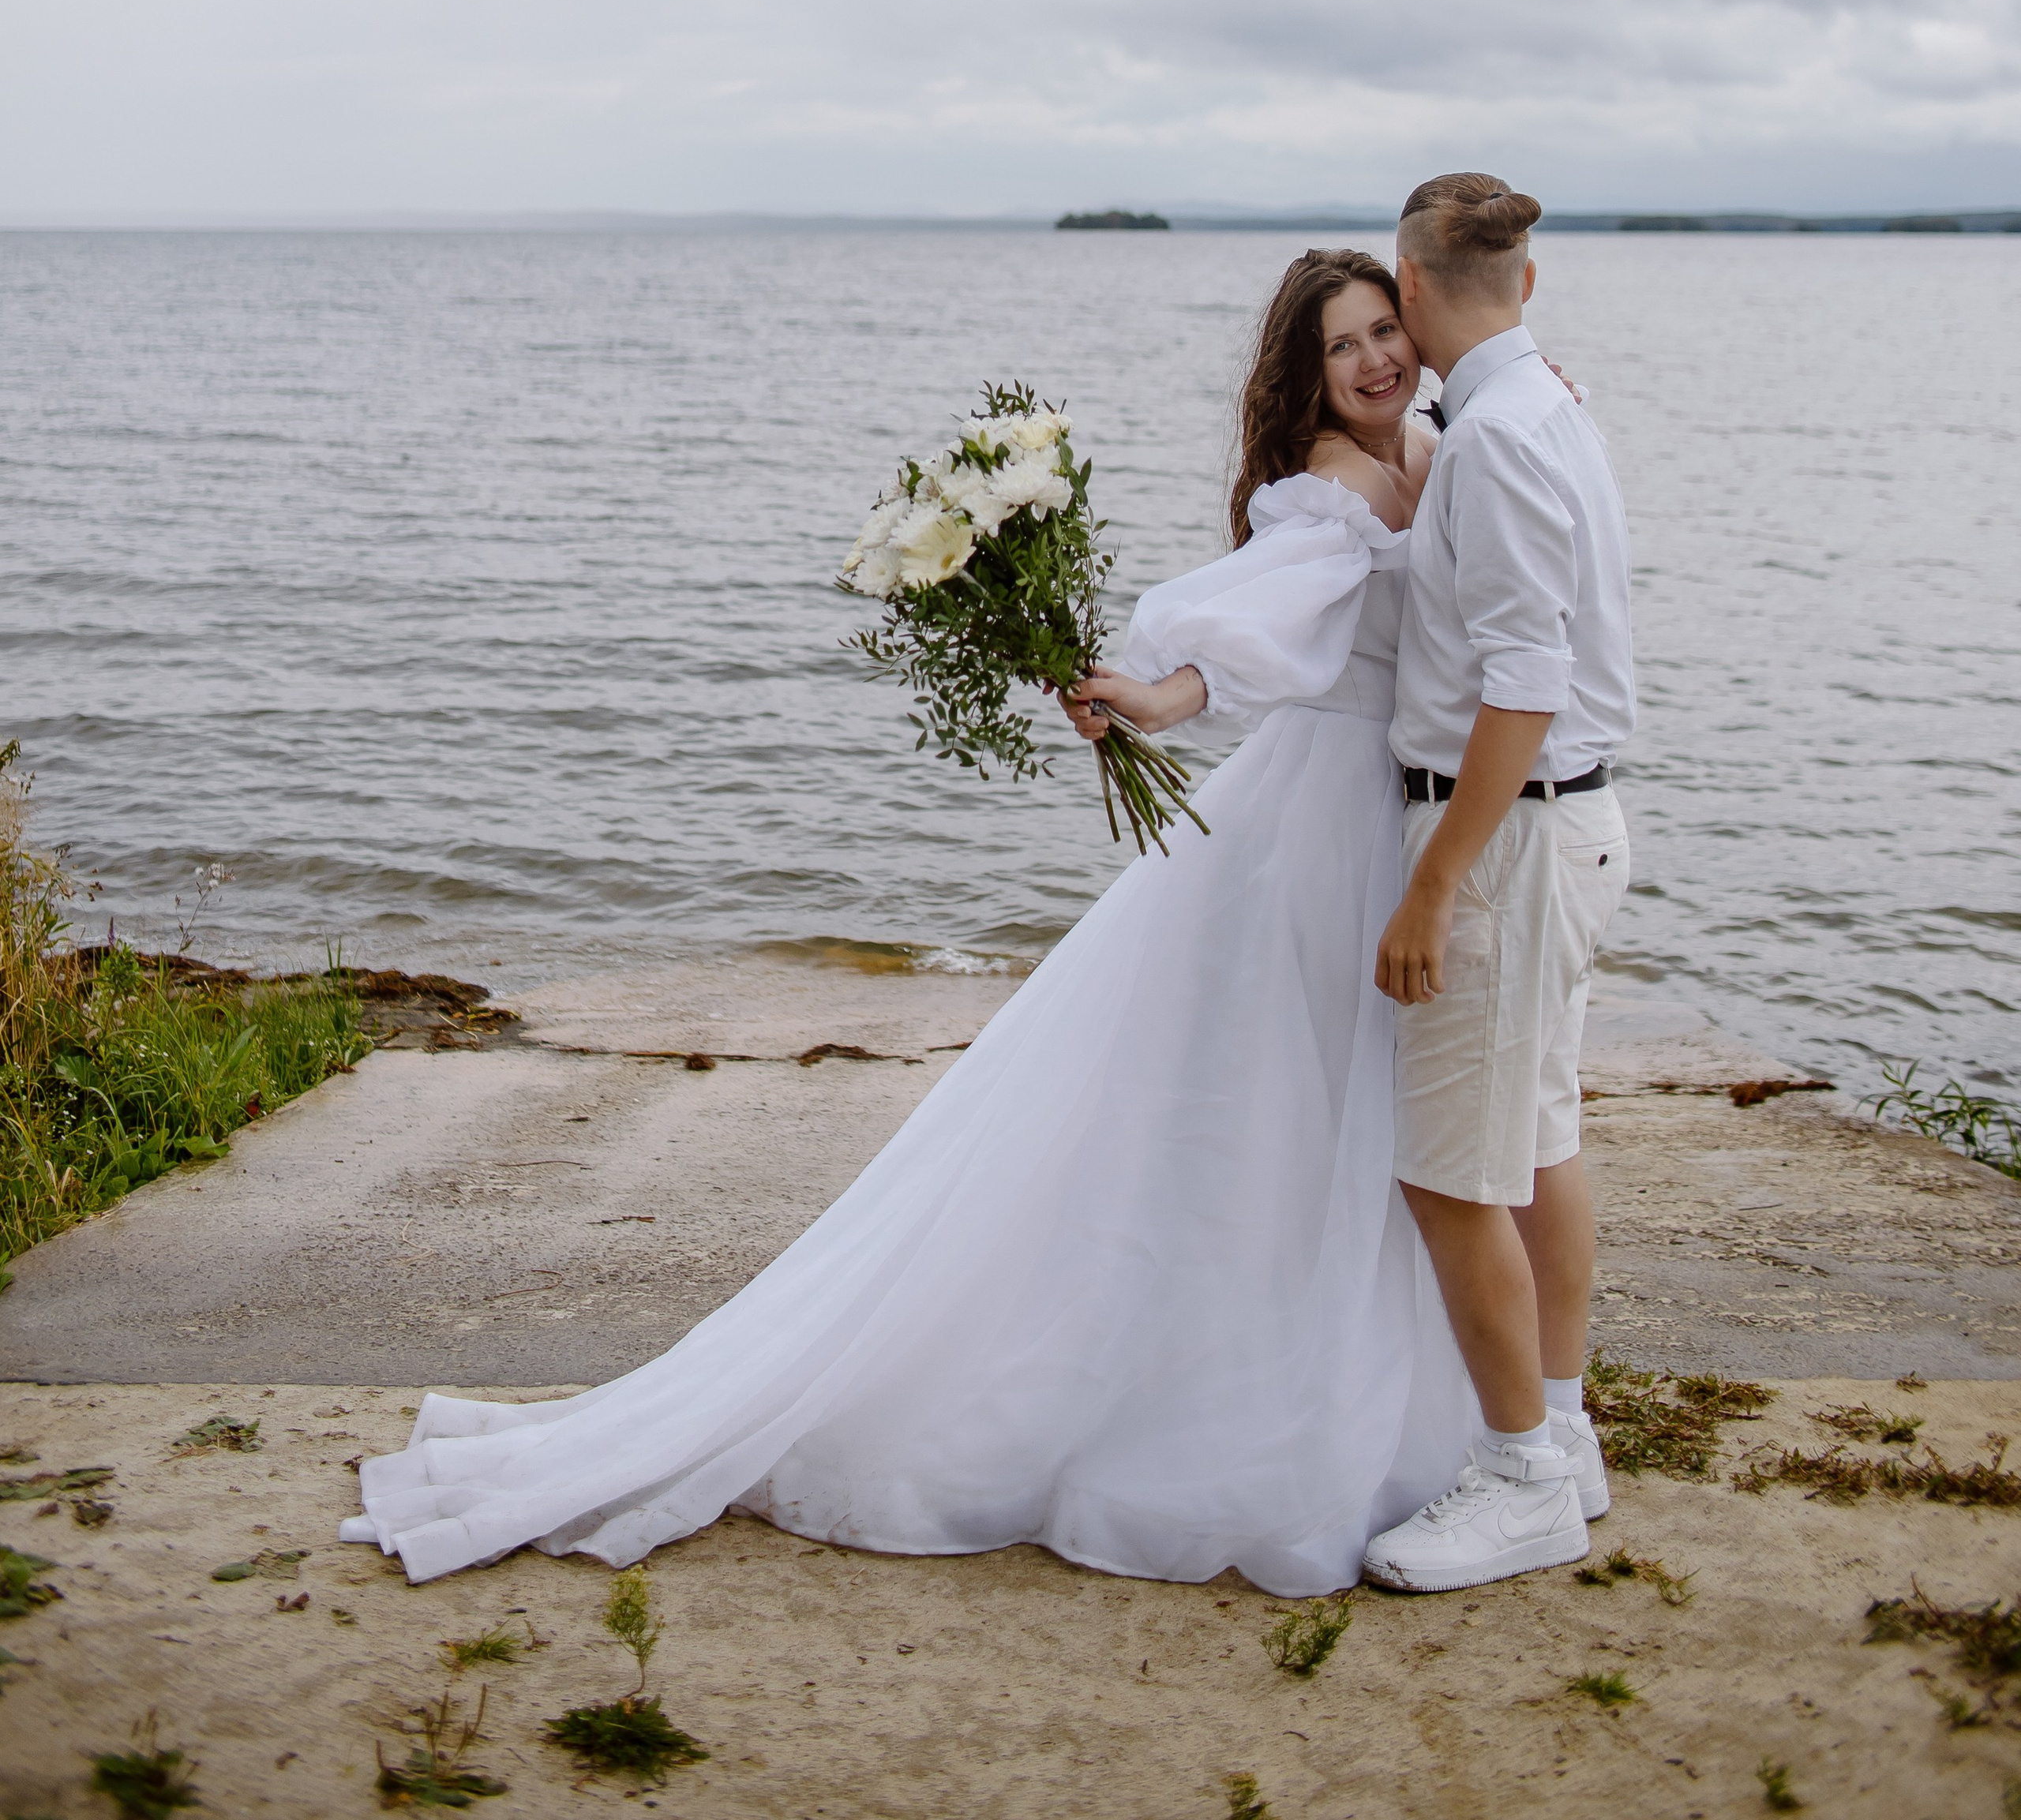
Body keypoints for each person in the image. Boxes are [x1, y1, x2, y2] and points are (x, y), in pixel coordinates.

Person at [342, 249, 1478, 1590]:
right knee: (1298, 1121)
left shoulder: (1437, 438)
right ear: (1304, 373)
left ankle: (1399, 1391)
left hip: (1391, 811)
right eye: (1342, 344)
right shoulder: (1329, 494)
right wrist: (1158, 696)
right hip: (1326, 825)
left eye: (1384, 331)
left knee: (1333, 1116)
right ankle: (1279, 1410)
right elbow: (1257, 630)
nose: (1372, 360)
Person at [1359, 173, 1635, 1595]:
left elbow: (1523, 685)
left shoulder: (1504, 438)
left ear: (1409, 288)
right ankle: (1565, 1433)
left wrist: (1434, 886)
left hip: (1510, 839)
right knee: (1532, 1142)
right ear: (1525, 281)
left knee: (1448, 1170)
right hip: (1556, 831)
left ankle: (1522, 1470)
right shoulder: (1538, 412)